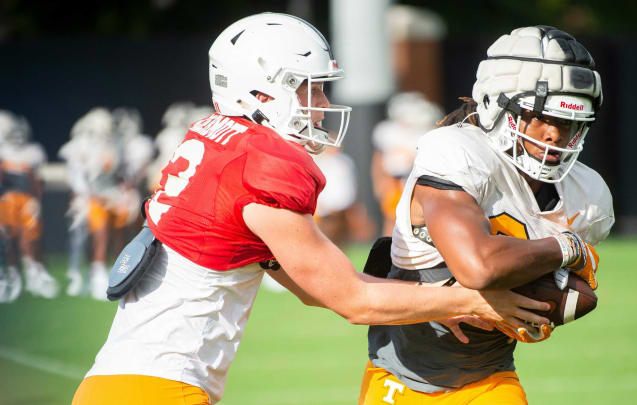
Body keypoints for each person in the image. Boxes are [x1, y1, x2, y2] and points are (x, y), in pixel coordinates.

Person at [71, 13, 551, 405]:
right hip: (158, 390)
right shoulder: (261, 162)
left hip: (117, 385)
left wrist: (423, 305)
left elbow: (312, 287)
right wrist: (469, 299)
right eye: (309, 88)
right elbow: (352, 300)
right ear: (260, 93)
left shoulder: (215, 141)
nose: (321, 104)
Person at [358, 26, 614, 405]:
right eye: (541, 115)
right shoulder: (456, 152)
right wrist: (565, 247)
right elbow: (478, 268)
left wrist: (540, 309)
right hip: (402, 381)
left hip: (490, 379)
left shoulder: (587, 194)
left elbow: (568, 296)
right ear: (498, 102)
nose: (556, 135)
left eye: (571, 122)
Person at [59, 107, 119, 300]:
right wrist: (83, 194)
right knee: (80, 238)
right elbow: (77, 174)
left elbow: (111, 175)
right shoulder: (81, 145)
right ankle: (78, 274)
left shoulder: (110, 147)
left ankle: (97, 272)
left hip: (100, 196)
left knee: (103, 233)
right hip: (83, 196)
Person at [0, 111, 58, 300]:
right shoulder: (3, 152)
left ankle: (34, 274)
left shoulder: (34, 152)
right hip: (7, 201)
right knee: (6, 239)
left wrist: (36, 201)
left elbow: (37, 181)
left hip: (26, 201)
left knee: (30, 239)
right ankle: (10, 276)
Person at [371, 92, 443, 235]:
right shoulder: (388, 131)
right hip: (395, 179)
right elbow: (379, 160)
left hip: (419, 179)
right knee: (392, 217)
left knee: (419, 218)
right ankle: (388, 250)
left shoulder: (427, 133)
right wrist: (380, 182)